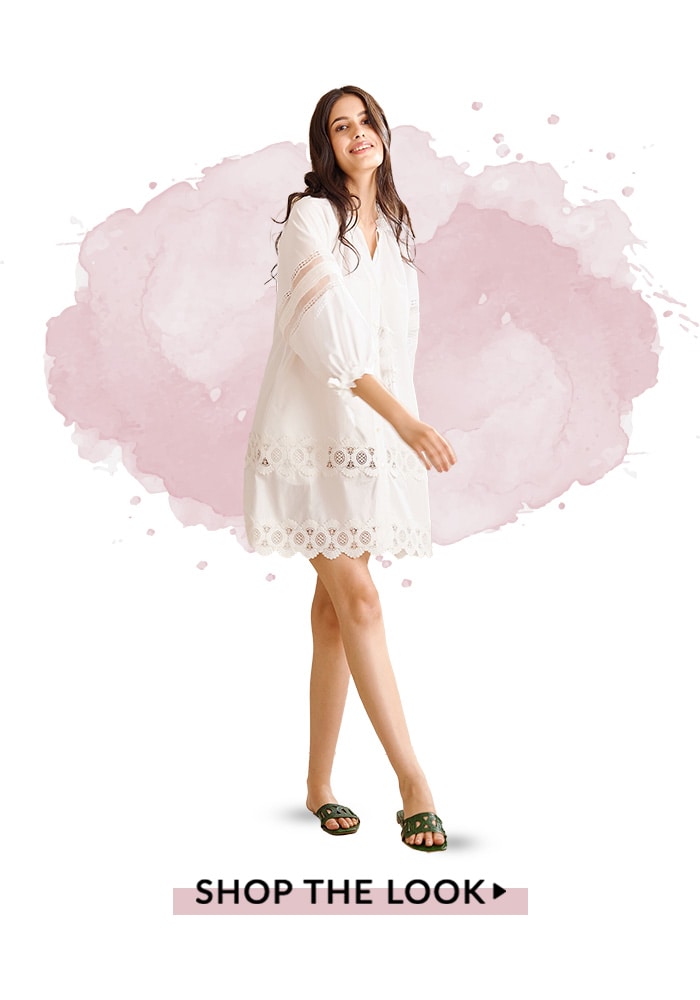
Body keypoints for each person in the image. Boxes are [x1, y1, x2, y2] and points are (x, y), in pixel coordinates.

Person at [243, 85, 456, 851]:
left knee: (336, 613)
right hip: (309, 441)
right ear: (325, 147)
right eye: (341, 126)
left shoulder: (393, 228)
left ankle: (318, 786)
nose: (358, 132)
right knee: (361, 601)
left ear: (383, 134)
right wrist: (406, 422)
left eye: (366, 120)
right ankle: (414, 783)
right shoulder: (312, 217)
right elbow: (328, 336)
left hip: (368, 447)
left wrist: (396, 430)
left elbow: (398, 343)